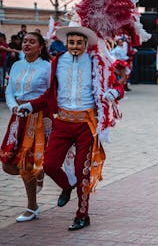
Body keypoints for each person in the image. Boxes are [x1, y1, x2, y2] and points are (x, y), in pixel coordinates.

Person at [17, 21, 125, 231]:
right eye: (71, 42)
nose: (75, 46)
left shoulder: (97, 62)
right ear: (66, 43)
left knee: (81, 170)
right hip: (62, 123)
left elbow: (117, 85)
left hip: (86, 124)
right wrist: (30, 106)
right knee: (49, 165)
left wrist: (114, 94)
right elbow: (50, 94)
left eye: (79, 42)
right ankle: (67, 187)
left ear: (86, 44)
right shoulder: (58, 61)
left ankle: (82, 215)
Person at [0, 32, 51, 222]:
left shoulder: (47, 67)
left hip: (37, 118)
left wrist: (32, 106)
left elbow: (49, 94)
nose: (27, 44)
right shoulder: (16, 65)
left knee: (26, 164)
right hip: (17, 117)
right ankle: (40, 173)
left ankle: (32, 207)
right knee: (7, 164)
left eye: (32, 42)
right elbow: (9, 90)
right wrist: (14, 106)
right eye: (25, 41)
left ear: (41, 47)